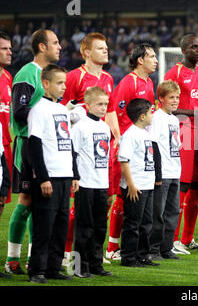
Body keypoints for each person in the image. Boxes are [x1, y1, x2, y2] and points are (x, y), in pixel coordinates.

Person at [61, 32, 121, 262]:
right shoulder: (75, 77)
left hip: (103, 147)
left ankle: (94, 253)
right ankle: (69, 252)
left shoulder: (107, 77)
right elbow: (63, 110)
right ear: (86, 52)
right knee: (80, 202)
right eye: (99, 48)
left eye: (106, 47)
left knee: (105, 199)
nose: (105, 50)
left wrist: (116, 136)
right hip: (81, 149)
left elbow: (112, 110)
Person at [6, 29, 61, 275]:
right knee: (26, 200)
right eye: (55, 42)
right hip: (27, 144)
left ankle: (32, 259)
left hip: (47, 146)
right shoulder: (27, 73)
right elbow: (18, 112)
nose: (59, 46)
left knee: (40, 201)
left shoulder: (50, 76)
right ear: (41, 46)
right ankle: (12, 259)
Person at [27, 64, 80, 284]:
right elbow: (34, 145)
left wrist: (74, 174)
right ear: (45, 83)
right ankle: (37, 270)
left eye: (64, 83)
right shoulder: (39, 109)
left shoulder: (61, 110)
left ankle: (53, 267)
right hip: (49, 177)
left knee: (60, 225)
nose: (63, 87)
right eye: (59, 83)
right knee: (44, 225)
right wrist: (43, 178)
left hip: (65, 176)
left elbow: (68, 144)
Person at [106, 43, 158, 261]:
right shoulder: (128, 82)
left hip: (141, 148)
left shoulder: (149, 83)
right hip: (126, 148)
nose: (155, 60)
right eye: (152, 56)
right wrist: (120, 139)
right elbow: (113, 112)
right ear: (140, 60)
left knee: (133, 202)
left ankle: (123, 248)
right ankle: (112, 247)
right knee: (121, 197)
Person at [164, 34, 198, 254]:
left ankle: (187, 238)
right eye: (194, 47)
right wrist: (196, 112)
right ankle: (171, 239)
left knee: (195, 186)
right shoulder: (174, 73)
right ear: (183, 50)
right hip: (182, 132)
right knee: (181, 185)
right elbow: (166, 106)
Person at [72, 87, 113, 278]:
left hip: (101, 183)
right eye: (99, 104)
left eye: (106, 104)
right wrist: (75, 177)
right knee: (84, 226)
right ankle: (79, 266)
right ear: (87, 105)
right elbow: (74, 153)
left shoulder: (105, 127)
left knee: (99, 227)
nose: (104, 108)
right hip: (85, 183)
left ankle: (96, 264)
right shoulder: (80, 126)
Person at [118, 98, 161, 267]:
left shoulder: (145, 133)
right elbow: (124, 161)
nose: (153, 115)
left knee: (146, 223)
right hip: (135, 187)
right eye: (151, 112)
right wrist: (131, 185)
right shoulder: (130, 135)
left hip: (147, 184)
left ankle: (143, 255)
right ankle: (128, 257)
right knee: (133, 223)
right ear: (142, 116)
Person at [148, 80, 182, 260]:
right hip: (163, 174)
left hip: (175, 171)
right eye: (171, 98)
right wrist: (157, 174)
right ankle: (153, 249)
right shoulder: (156, 118)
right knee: (158, 214)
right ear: (161, 98)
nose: (175, 101)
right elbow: (153, 145)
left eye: (177, 97)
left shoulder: (175, 119)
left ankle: (166, 248)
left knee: (173, 212)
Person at [0, 32, 11, 278]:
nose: (9, 52)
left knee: (1, 201)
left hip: (5, 147)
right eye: (4, 49)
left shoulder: (7, 77)